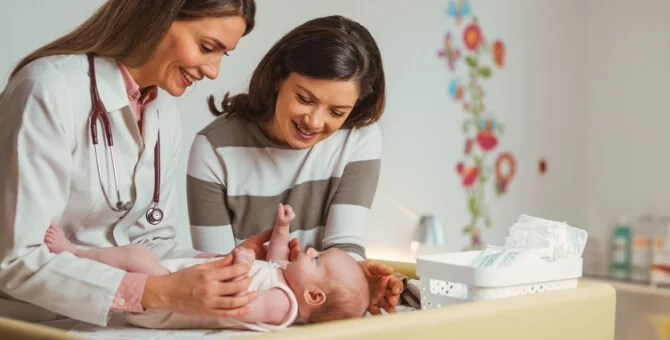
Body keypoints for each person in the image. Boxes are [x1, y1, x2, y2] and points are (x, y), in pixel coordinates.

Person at [0, 0, 281, 327]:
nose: (213, 71)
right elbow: (17, 259)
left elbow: (149, 242)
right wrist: (154, 292)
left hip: (118, 318)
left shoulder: (161, 109)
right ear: (158, 17)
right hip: (33, 318)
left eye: (223, 54)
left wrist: (221, 267)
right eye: (207, 47)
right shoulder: (49, 88)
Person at [187, 14, 402, 315]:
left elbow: (343, 244)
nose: (314, 122)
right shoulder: (214, 148)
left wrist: (358, 285)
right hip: (246, 309)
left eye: (337, 111)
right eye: (304, 98)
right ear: (278, 77)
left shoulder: (359, 138)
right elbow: (215, 268)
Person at [45, 203, 369, 331]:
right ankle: (74, 263)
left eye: (317, 259)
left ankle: (72, 254)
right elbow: (277, 257)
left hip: (171, 304)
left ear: (312, 296)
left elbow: (242, 306)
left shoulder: (282, 303)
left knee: (136, 259)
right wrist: (281, 228)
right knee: (135, 262)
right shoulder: (284, 278)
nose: (311, 250)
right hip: (177, 286)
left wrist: (243, 263)